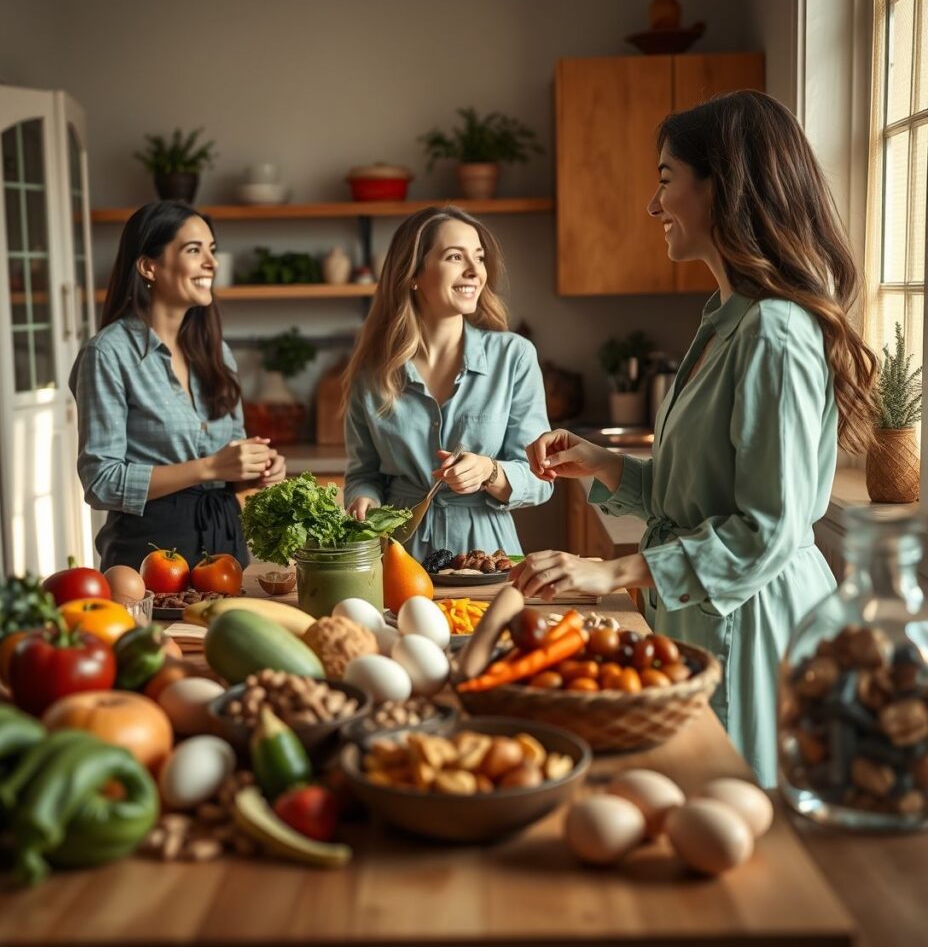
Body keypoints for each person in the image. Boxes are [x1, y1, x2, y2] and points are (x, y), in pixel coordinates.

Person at [512, 91, 878, 786]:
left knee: (737, 821)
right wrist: (601, 463)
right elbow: (698, 498)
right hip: (706, 616)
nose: (653, 206)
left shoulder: (774, 332)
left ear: (722, 189)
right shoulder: (723, 319)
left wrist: (612, 573)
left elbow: (762, 530)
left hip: (754, 621)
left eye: (664, 179)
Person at [70, 201, 286, 572]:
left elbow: (227, 464)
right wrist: (210, 467)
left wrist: (255, 469)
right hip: (148, 553)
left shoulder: (218, 353)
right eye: (193, 250)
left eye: (212, 250)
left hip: (225, 545)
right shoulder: (108, 353)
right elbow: (101, 482)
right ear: (148, 266)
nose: (212, 263)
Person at [343, 205, 553, 565]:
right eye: (455, 257)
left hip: (485, 556)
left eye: (480, 258)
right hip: (399, 555)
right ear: (413, 274)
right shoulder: (372, 372)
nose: (475, 271)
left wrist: (490, 471)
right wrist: (363, 498)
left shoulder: (514, 357)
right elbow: (364, 473)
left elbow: (541, 478)